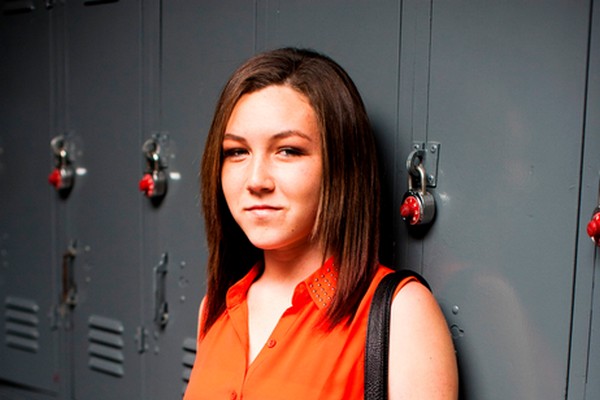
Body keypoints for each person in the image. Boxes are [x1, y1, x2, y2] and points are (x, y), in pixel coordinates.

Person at [184, 47, 458, 400]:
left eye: (288, 150)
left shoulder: (401, 312)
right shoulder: (216, 306)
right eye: (237, 152)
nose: (255, 180)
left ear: (340, 165)